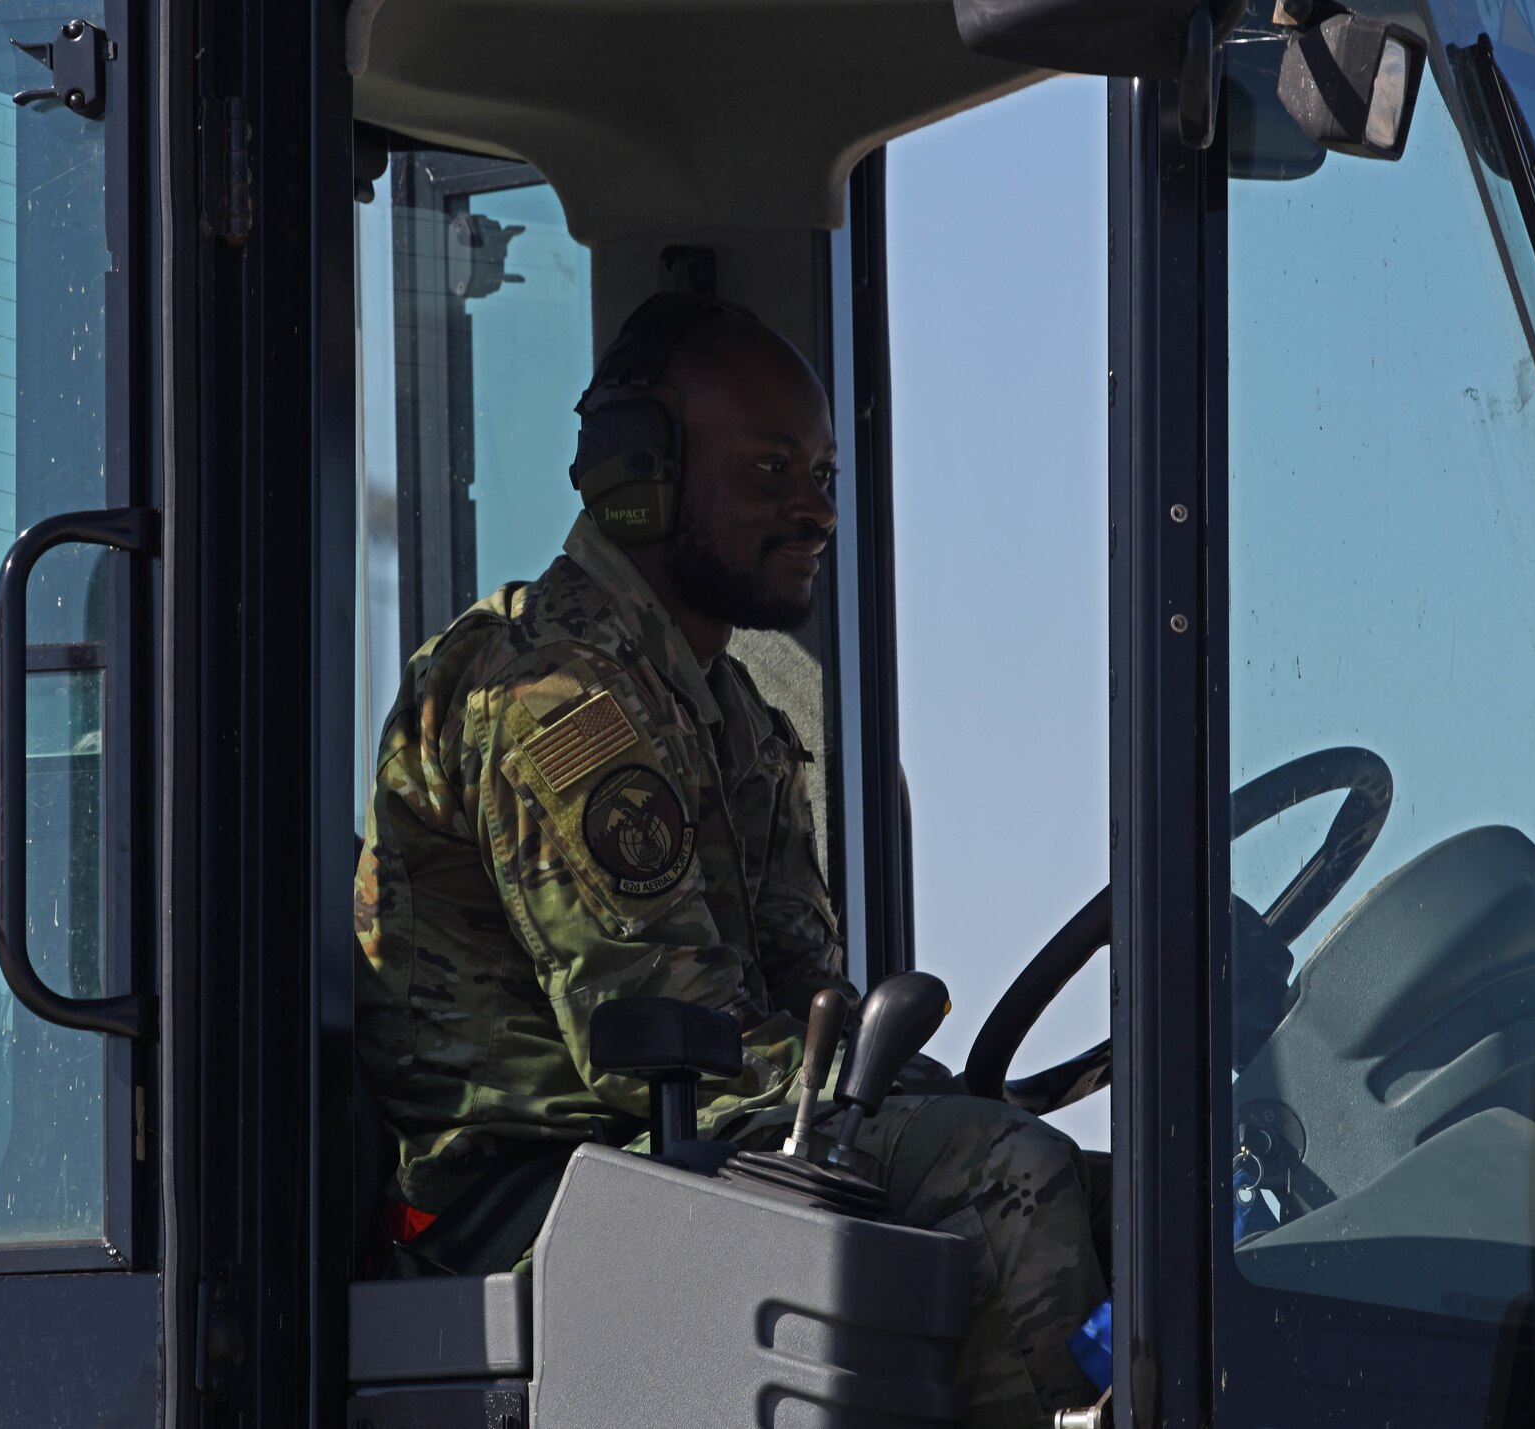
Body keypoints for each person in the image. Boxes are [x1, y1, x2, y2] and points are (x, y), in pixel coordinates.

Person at [354, 292, 1107, 1425]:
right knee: (1009, 1182)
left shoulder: (728, 709)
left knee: (1115, 1197)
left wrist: (907, 1086)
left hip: (659, 1153)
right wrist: (922, 1110)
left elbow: (805, 994)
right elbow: (664, 1037)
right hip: (518, 1195)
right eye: (769, 473)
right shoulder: (555, 696)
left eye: (822, 476)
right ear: (638, 475)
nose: (812, 511)